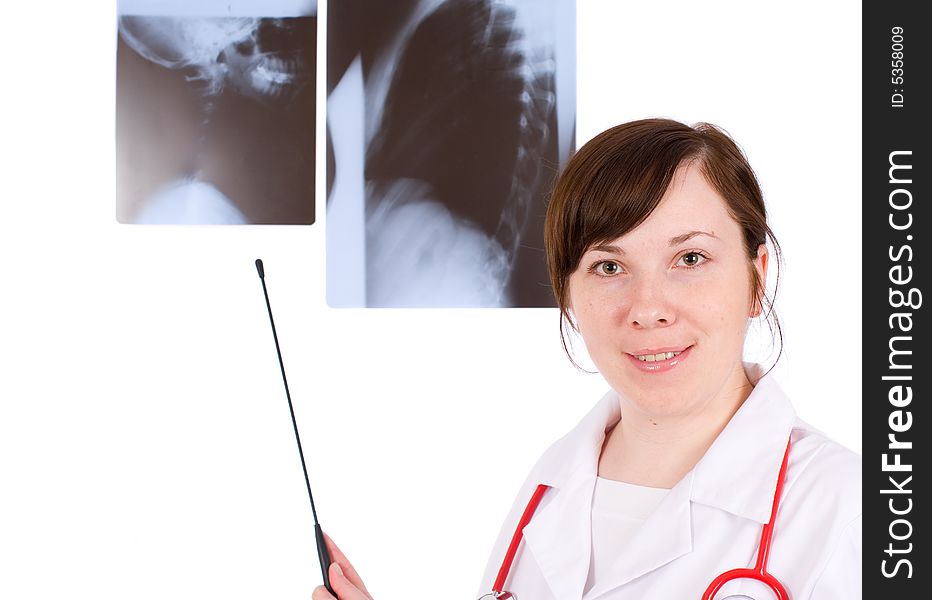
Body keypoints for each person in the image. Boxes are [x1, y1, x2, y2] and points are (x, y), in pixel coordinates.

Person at [311, 119, 862, 599]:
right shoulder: (550, 489)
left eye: (690, 257)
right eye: (608, 267)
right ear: (568, 294)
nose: (647, 310)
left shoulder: (845, 509)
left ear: (756, 278)